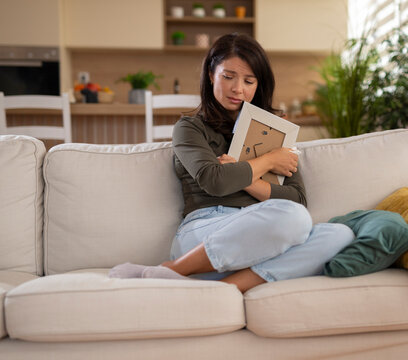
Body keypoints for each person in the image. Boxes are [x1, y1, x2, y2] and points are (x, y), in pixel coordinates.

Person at [109, 33, 354, 293]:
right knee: (294, 219)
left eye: (249, 81)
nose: (238, 88)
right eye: (228, 77)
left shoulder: (274, 131)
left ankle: (224, 290)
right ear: (212, 74)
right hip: (205, 232)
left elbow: (296, 199)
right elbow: (215, 181)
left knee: (339, 234)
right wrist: (270, 160)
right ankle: (176, 268)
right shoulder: (189, 127)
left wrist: (248, 180)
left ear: (258, 85)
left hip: (259, 238)